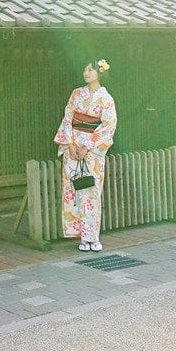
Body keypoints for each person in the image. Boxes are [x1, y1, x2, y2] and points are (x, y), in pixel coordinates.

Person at [53, 58, 117, 252]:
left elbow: (108, 126)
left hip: (92, 150)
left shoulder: (106, 99)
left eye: (90, 69)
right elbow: (67, 118)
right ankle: (81, 237)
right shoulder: (76, 94)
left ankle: (93, 238)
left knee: (91, 191)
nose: (86, 72)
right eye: (85, 69)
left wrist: (87, 146)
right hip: (72, 147)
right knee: (73, 191)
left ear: (100, 72)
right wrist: (71, 144)